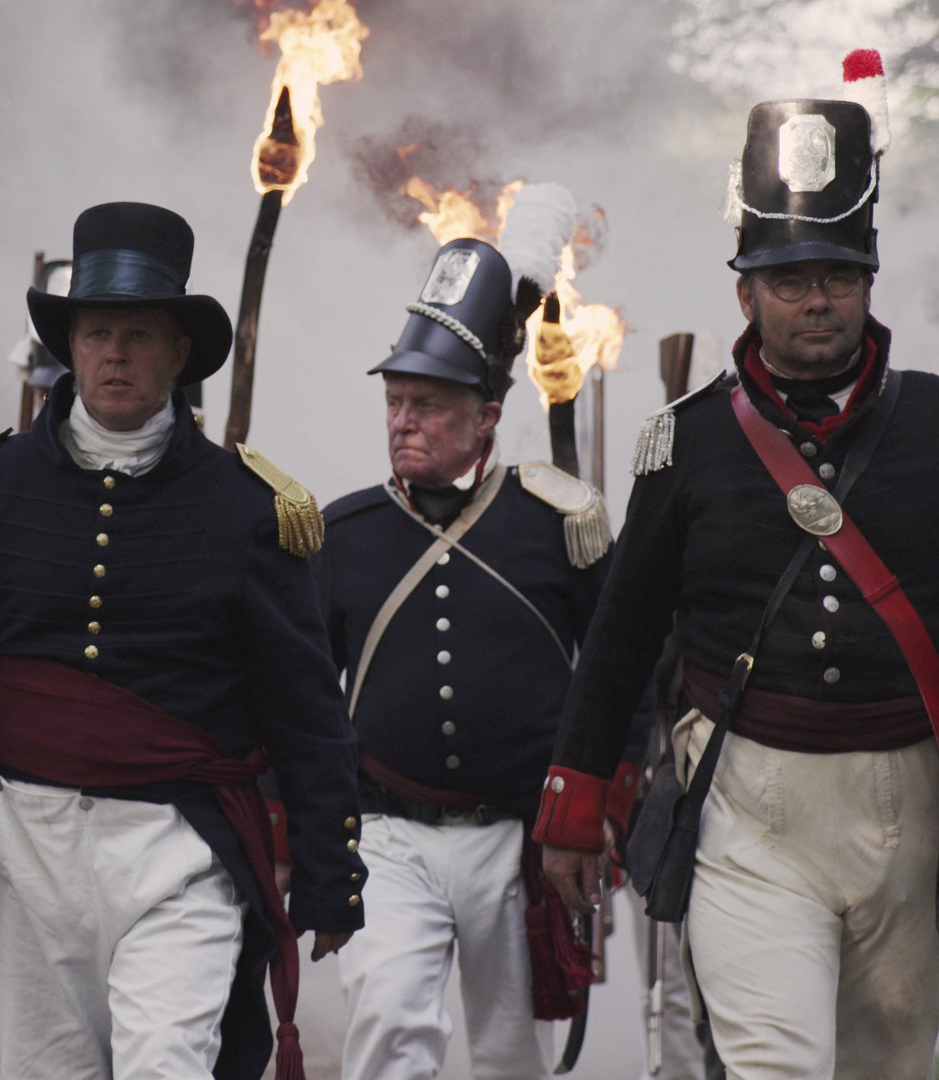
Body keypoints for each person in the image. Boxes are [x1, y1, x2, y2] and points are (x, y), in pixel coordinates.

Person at [536, 86, 939, 1078]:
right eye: (789, 280)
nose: (816, 298)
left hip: (912, 804)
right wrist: (576, 806)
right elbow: (620, 634)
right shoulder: (679, 443)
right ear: (746, 294)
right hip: (751, 806)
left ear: (869, 283)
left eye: (836, 273)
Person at [0, 201, 365, 1080]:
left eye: (138, 333)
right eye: (96, 332)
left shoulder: (249, 508)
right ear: (70, 347)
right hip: (26, 842)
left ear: (178, 353)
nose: (115, 353)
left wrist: (328, 868)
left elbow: (305, 709)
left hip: (181, 848)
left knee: (167, 1064)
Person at [308, 218, 615, 1079]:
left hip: (522, 839)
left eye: (430, 405)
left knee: (511, 1057)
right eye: (396, 402)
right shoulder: (345, 534)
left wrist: (601, 806)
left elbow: (625, 669)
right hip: (387, 834)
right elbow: (300, 695)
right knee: (391, 1031)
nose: (405, 422)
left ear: (487, 417)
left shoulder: (560, 525)